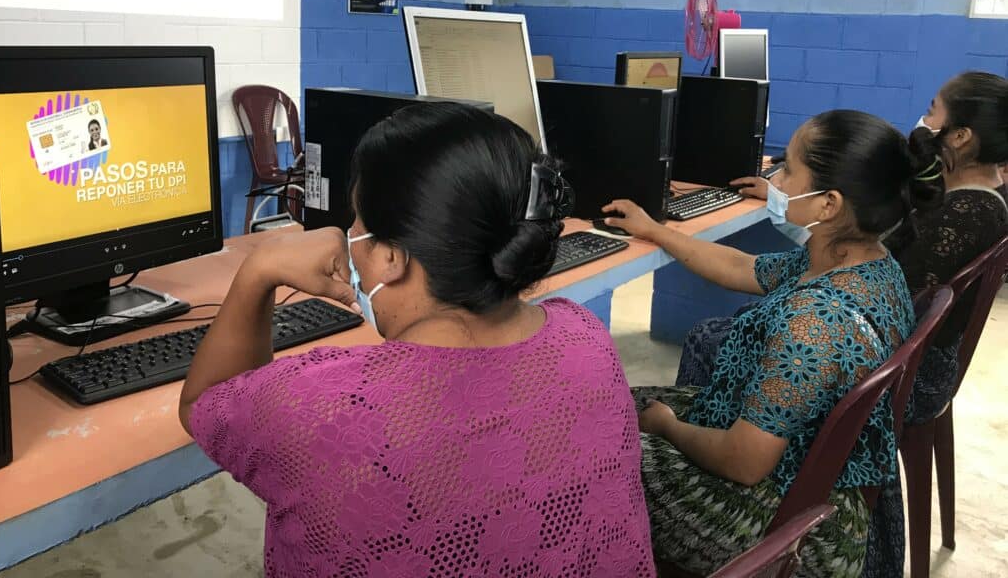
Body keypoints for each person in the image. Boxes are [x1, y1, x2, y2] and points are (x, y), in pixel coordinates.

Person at [178, 103, 654, 578]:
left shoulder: (320, 409)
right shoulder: (585, 335)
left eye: (356, 225)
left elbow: (206, 403)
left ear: (391, 257)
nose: (349, 240)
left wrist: (261, 268)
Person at [603, 109, 923, 577]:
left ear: (828, 205)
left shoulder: (815, 322)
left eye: (788, 168)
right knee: (606, 408)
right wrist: (656, 231)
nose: (774, 179)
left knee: (591, 455)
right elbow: (740, 267)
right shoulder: (864, 262)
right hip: (803, 469)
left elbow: (744, 462)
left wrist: (668, 427)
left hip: (787, 519)